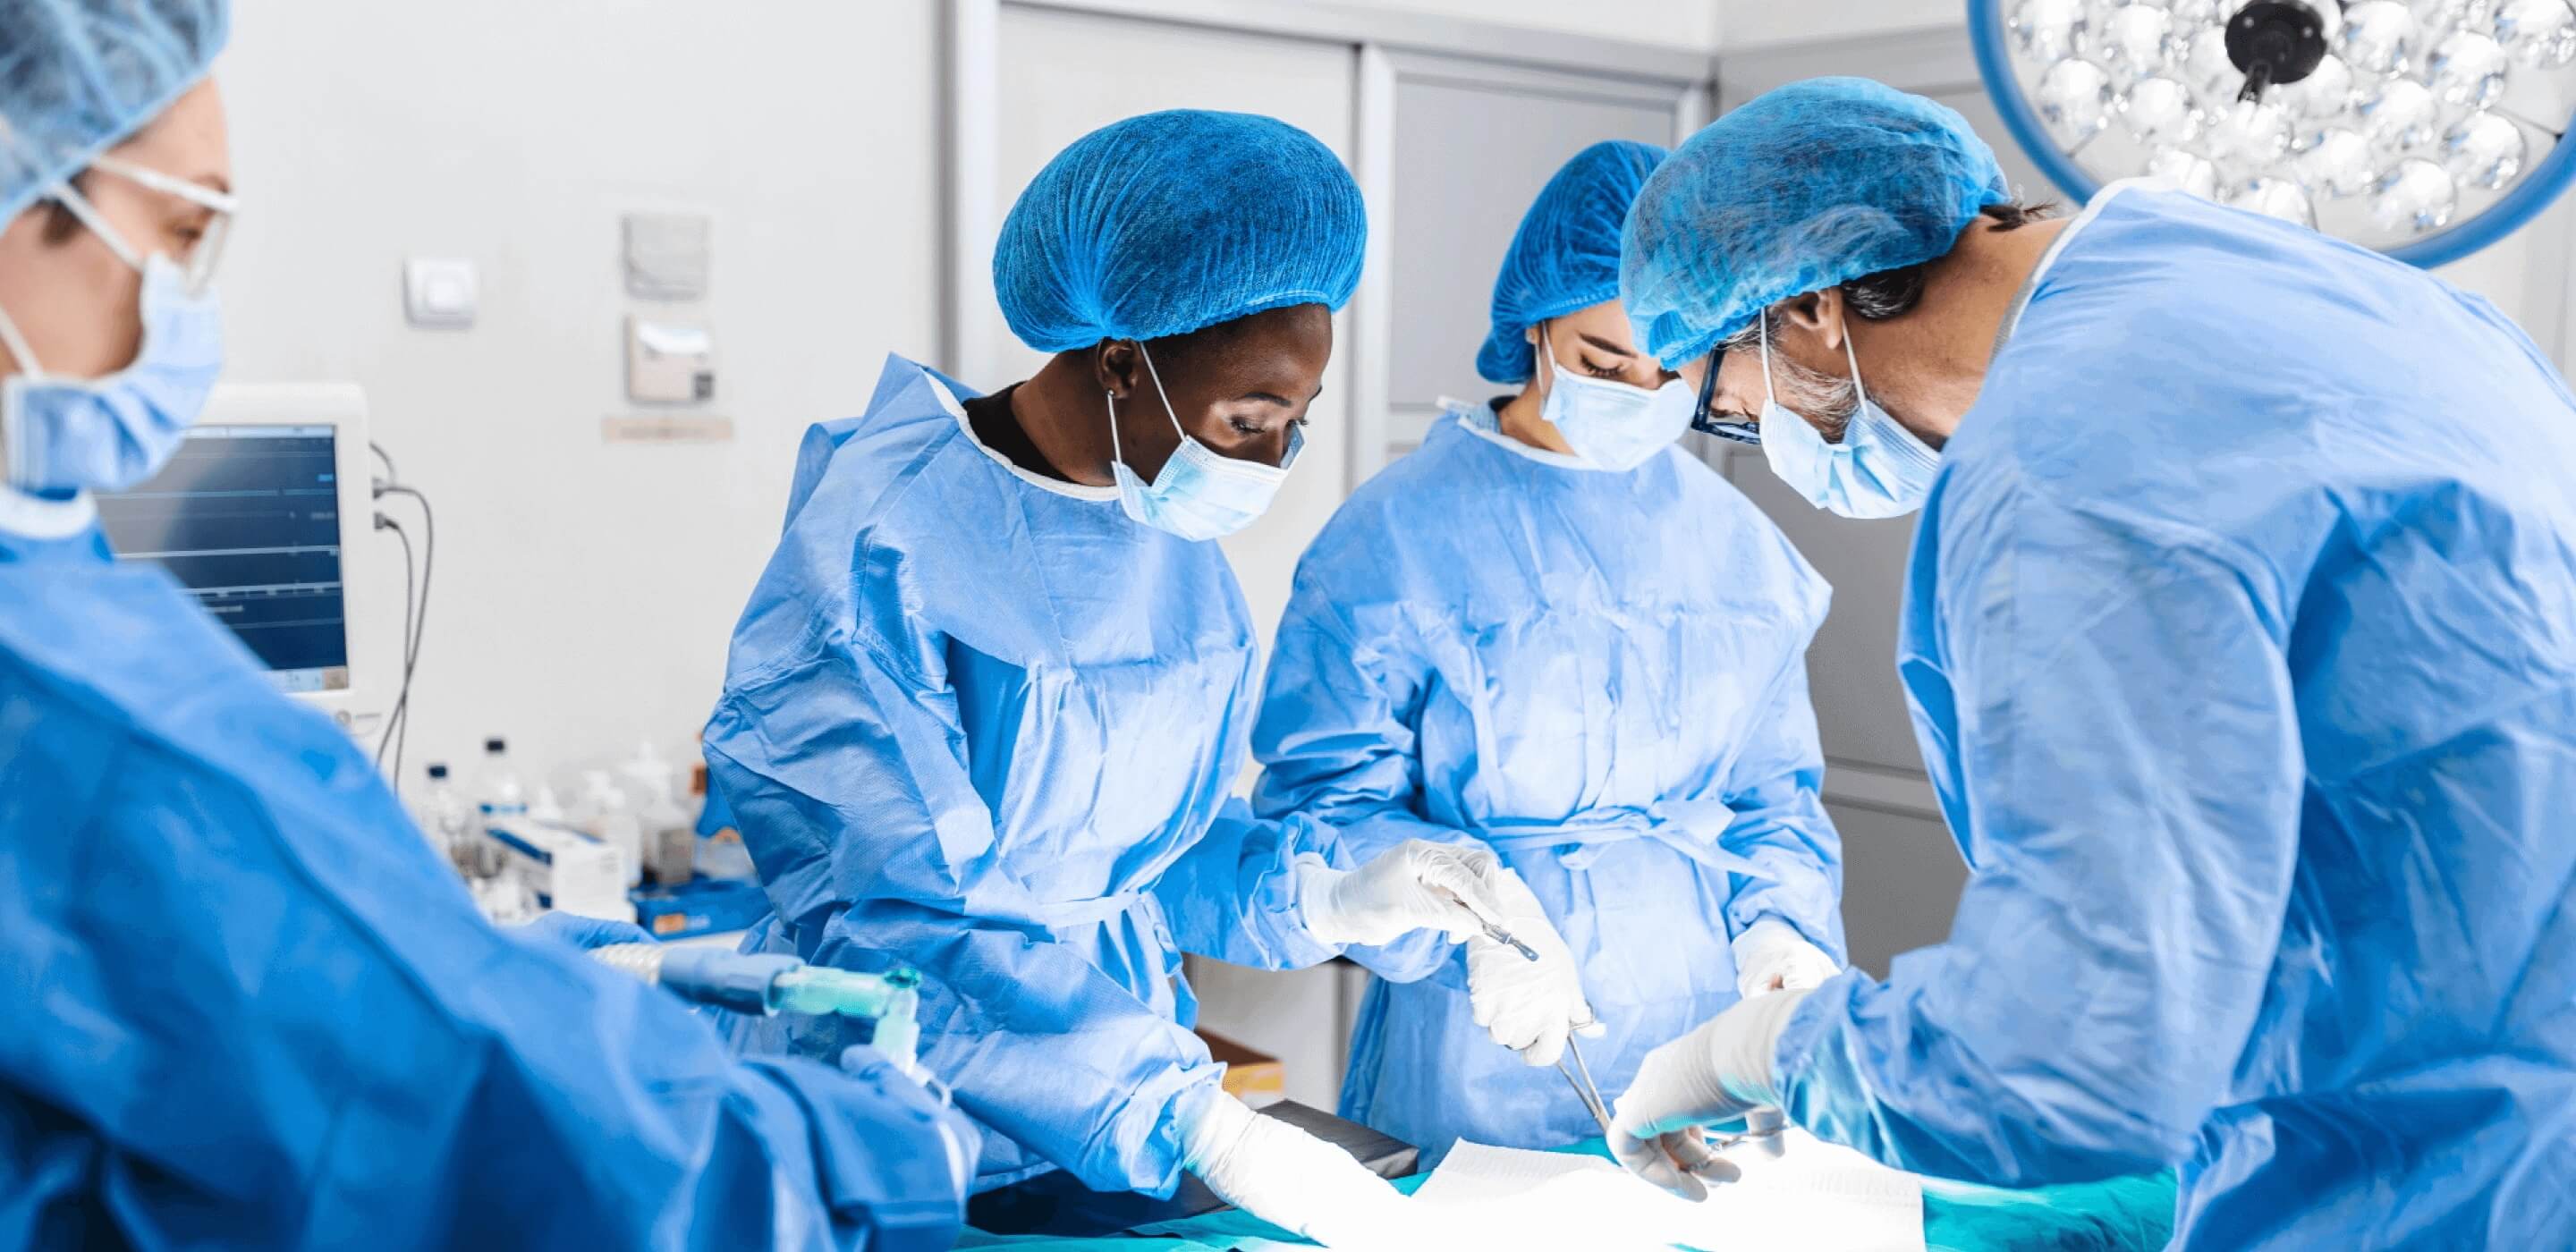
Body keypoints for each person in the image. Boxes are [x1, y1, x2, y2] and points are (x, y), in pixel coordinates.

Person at [0, 4, 973, 1247]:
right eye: (181, 230)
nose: (184, 301)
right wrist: (886, 1147)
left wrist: (510, 963)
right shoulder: (104, 727)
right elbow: (534, 1148)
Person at [1605, 75, 2576, 1247]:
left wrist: (1757, 1050)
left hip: (2433, 1182)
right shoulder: (2331, 293)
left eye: (1726, 405)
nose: (1755, 442)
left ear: (1806, 311)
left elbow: (2064, 1064)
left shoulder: (2061, 466)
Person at [702, 108, 1589, 1246]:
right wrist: (1193, 1117)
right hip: (897, 1102)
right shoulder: (880, 539)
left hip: (1112, 1121)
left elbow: (1148, 856)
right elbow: (897, 915)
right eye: (1251, 419)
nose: (1273, 461)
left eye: (1294, 423)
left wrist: (1342, 890)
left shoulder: (1169, 543)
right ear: (1123, 360)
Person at [1249, 140, 1844, 1163]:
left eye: (1674, 367)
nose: (1641, 391)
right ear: (1535, 329)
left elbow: (1775, 801)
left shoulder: (1740, 546)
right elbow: (1325, 808)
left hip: (1703, 1017)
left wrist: (1783, 932)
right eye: (1606, 363)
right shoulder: (1395, 537)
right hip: (1483, 1036)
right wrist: (1474, 926)